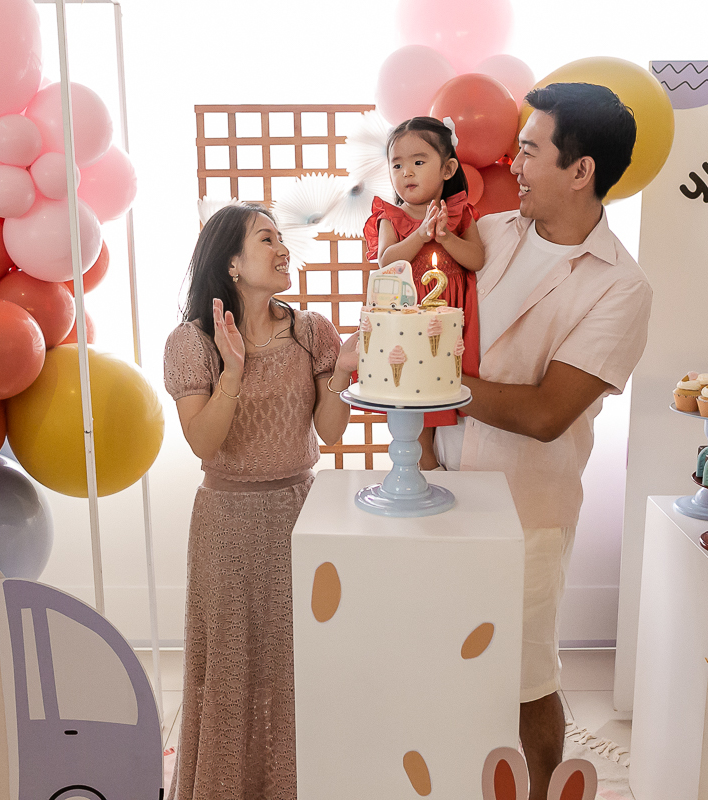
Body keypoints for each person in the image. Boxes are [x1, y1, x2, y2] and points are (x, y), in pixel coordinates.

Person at [433, 83, 652, 800]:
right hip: (440, 492)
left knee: (528, 679)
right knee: (443, 658)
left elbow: (547, 413)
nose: (513, 163)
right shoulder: (492, 233)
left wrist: (435, 380)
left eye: (529, 150)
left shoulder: (621, 287)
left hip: (529, 510)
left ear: (580, 170)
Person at [163, 203, 358, 800]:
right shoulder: (193, 342)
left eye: (282, 241)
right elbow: (204, 441)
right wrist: (235, 372)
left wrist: (343, 375)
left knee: (298, 665)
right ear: (231, 262)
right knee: (230, 667)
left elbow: (330, 431)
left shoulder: (311, 331)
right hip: (227, 523)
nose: (282, 251)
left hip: (303, 515)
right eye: (266, 240)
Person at [364, 115, 485, 468]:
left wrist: (446, 235)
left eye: (418, 162)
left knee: (447, 399)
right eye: (397, 165)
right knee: (413, 413)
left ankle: (438, 477)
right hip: (405, 326)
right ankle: (422, 475)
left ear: (447, 169)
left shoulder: (459, 213)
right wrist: (420, 235)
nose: (407, 173)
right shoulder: (391, 215)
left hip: (451, 324)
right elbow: (386, 261)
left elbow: (476, 258)